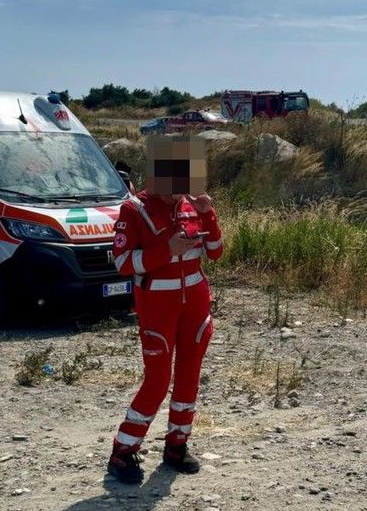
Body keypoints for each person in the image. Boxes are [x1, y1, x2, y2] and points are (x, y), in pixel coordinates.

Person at [107, 137, 223, 485]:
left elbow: (216, 251)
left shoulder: (193, 204)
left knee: (189, 377)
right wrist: (166, 249)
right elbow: (123, 262)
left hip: (195, 305)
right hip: (158, 307)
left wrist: (208, 213)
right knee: (157, 382)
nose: (177, 193)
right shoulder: (134, 210)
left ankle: (177, 445)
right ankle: (123, 451)